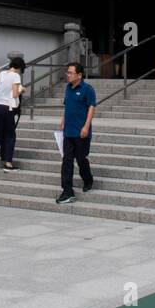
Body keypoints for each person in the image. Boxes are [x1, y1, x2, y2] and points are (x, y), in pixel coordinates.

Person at [56, 62, 96, 204]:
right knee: (67, 161)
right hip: (68, 132)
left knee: (81, 159)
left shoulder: (87, 89)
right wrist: (62, 121)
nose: (68, 75)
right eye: (68, 72)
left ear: (79, 75)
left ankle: (88, 180)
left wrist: (86, 127)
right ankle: (67, 191)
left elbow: (91, 108)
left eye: (71, 73)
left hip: (81, 132)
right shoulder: (68, 88)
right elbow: (67, 107)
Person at [0, 56, 24, 173]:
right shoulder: (16, 76)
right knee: (10, 135)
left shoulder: (1, 74)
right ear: (19, 68)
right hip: (7, 108)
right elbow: (15, 94)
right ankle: (8, 163)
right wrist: (22, 89)